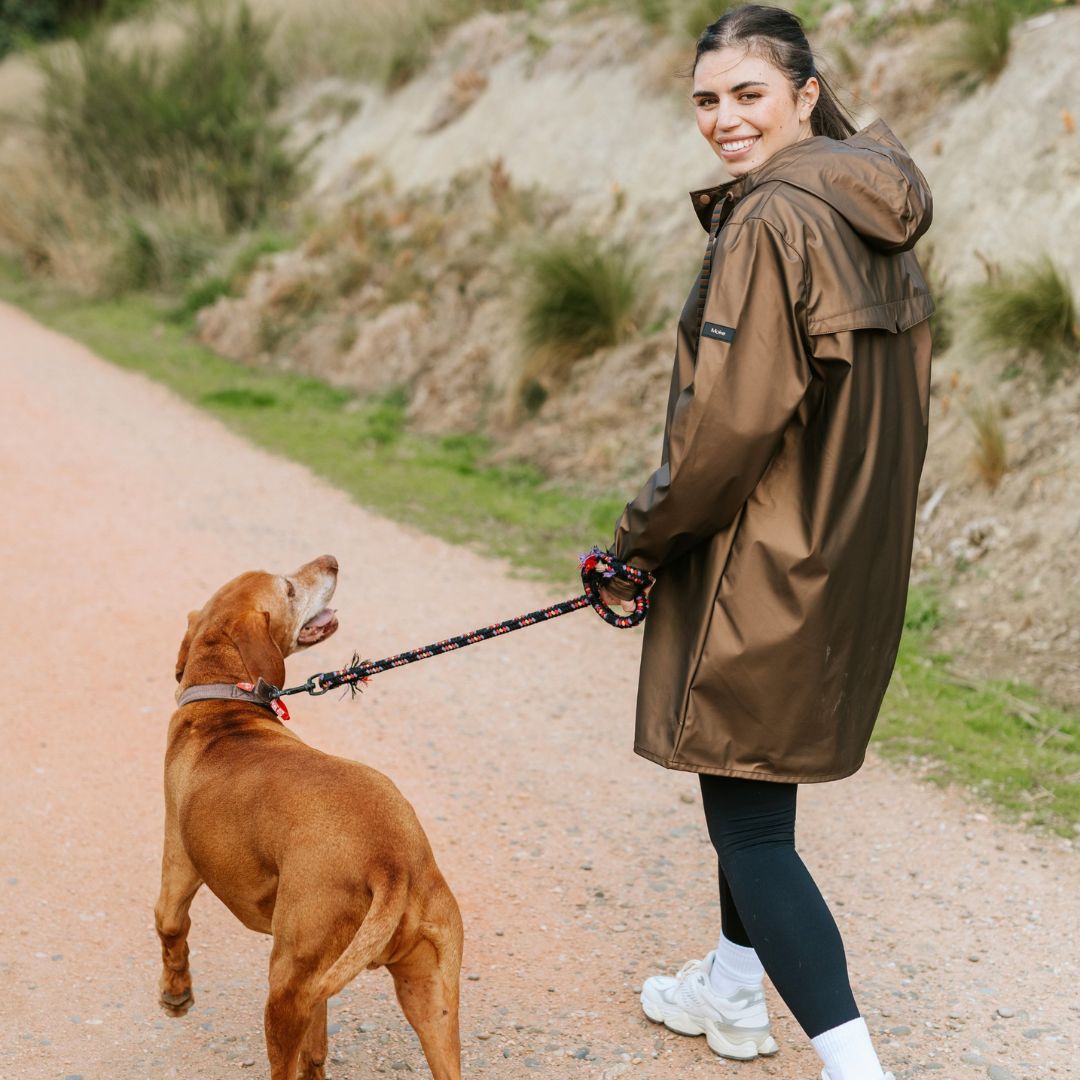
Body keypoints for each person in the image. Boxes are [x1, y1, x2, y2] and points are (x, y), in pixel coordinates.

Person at [597, 6, 934, 1080]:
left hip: (764, 558)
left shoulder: (768, 222)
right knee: (750, 781)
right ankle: (735, 992)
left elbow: (725, 429)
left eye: (748, 94)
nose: (724, 119)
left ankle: (854, 1067)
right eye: (706, 99)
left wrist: (637, 545)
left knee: (749, 829)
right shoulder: (865, 202)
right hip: (846, 554)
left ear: (804, 90)